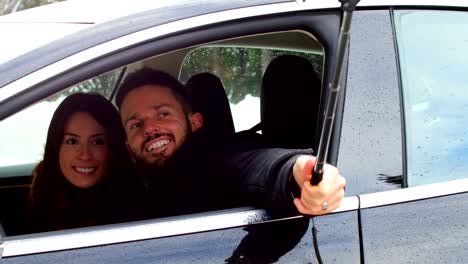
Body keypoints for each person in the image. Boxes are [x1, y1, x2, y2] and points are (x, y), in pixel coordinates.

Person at [115, 68, 346, 219]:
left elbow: (256, 166)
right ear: (127, 145)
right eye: (136, 124)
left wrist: (299, 174)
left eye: (163, 114)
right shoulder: (127, 184)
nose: (150, 129)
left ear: (195, 122)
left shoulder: (217, 159)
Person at [30, 93, 134, 232]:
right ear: (56, 147)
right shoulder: (38, 200)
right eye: (72, 141)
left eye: (98, 142)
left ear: (113, 147)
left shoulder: (138, 211)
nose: (85, 155)